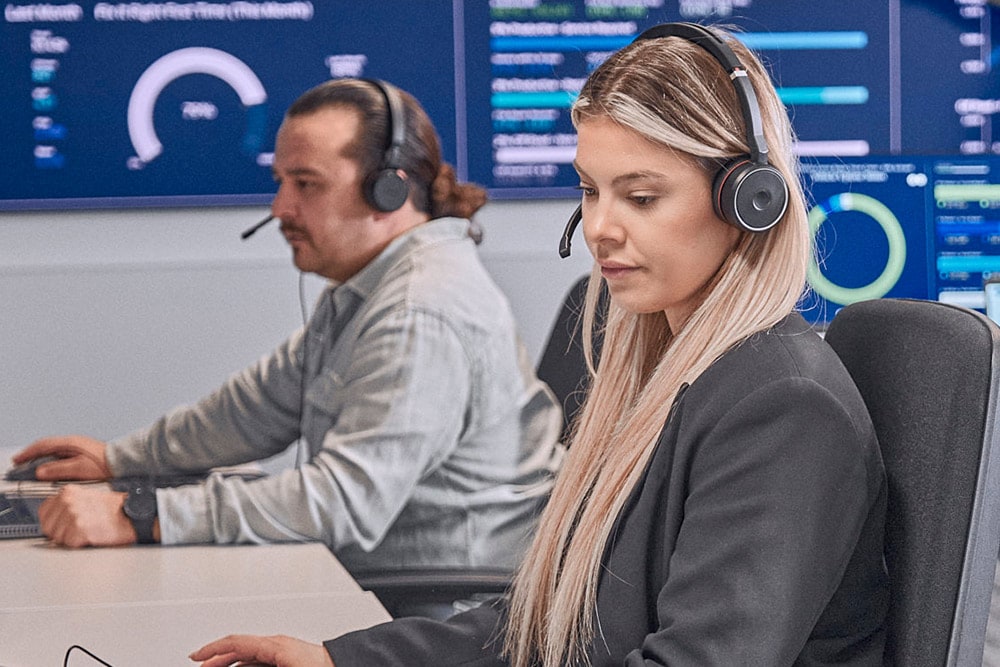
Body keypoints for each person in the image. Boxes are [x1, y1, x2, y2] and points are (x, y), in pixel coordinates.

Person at [191, 22, 889, 666]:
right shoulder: (667, 372)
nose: (600, 228)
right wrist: (338, 659)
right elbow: (552, 624)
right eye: (590, 190)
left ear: (748, 201)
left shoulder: (781, 407)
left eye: (640, 197)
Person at [12, 78, 563, 579]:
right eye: (281, 182)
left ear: (387, 191)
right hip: (375, 581)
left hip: (436, 610)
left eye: (306, 184)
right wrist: (119, 460)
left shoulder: (420, 311)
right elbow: (257, 407)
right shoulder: (367, 289)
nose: (280, 208)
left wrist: (142, 514)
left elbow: (341, 501)